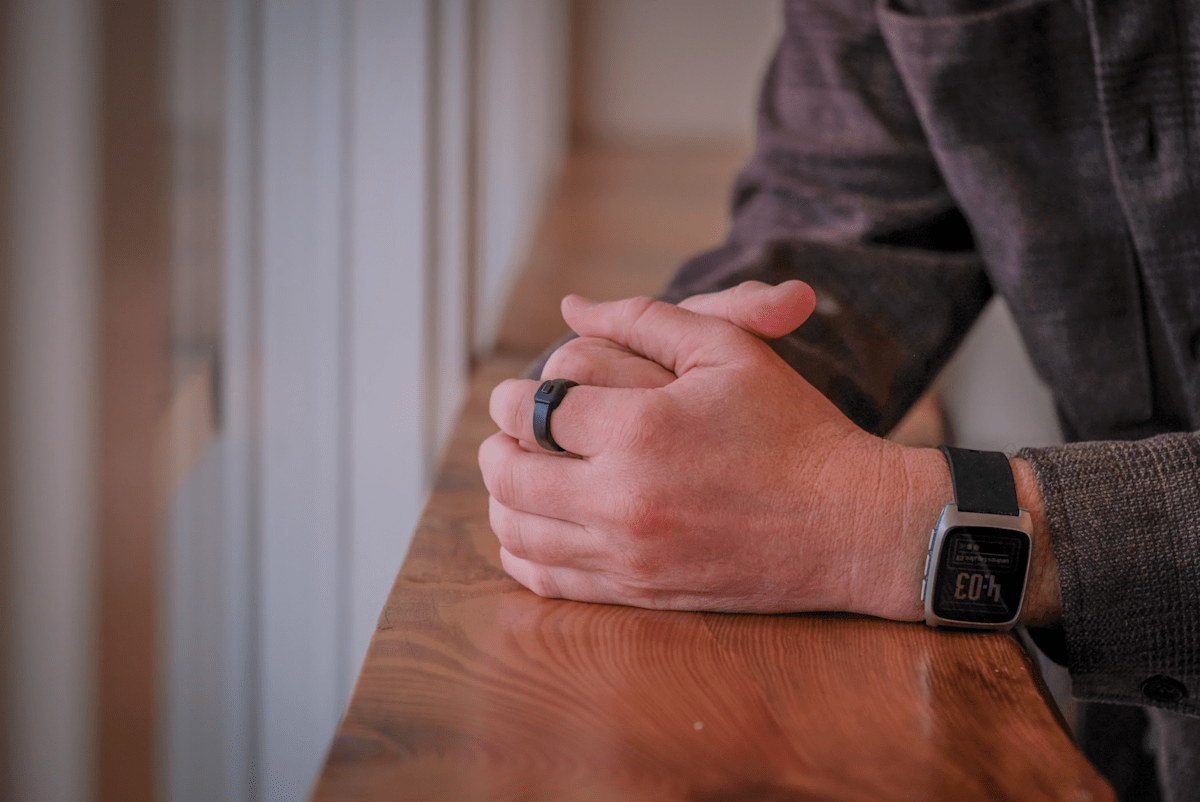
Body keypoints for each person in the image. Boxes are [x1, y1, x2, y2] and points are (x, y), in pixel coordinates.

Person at [477, 1, 1199, 798]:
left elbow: (869, 519)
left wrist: (883, 524)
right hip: (1130, 741)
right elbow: (842, 202)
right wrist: (665, 390)